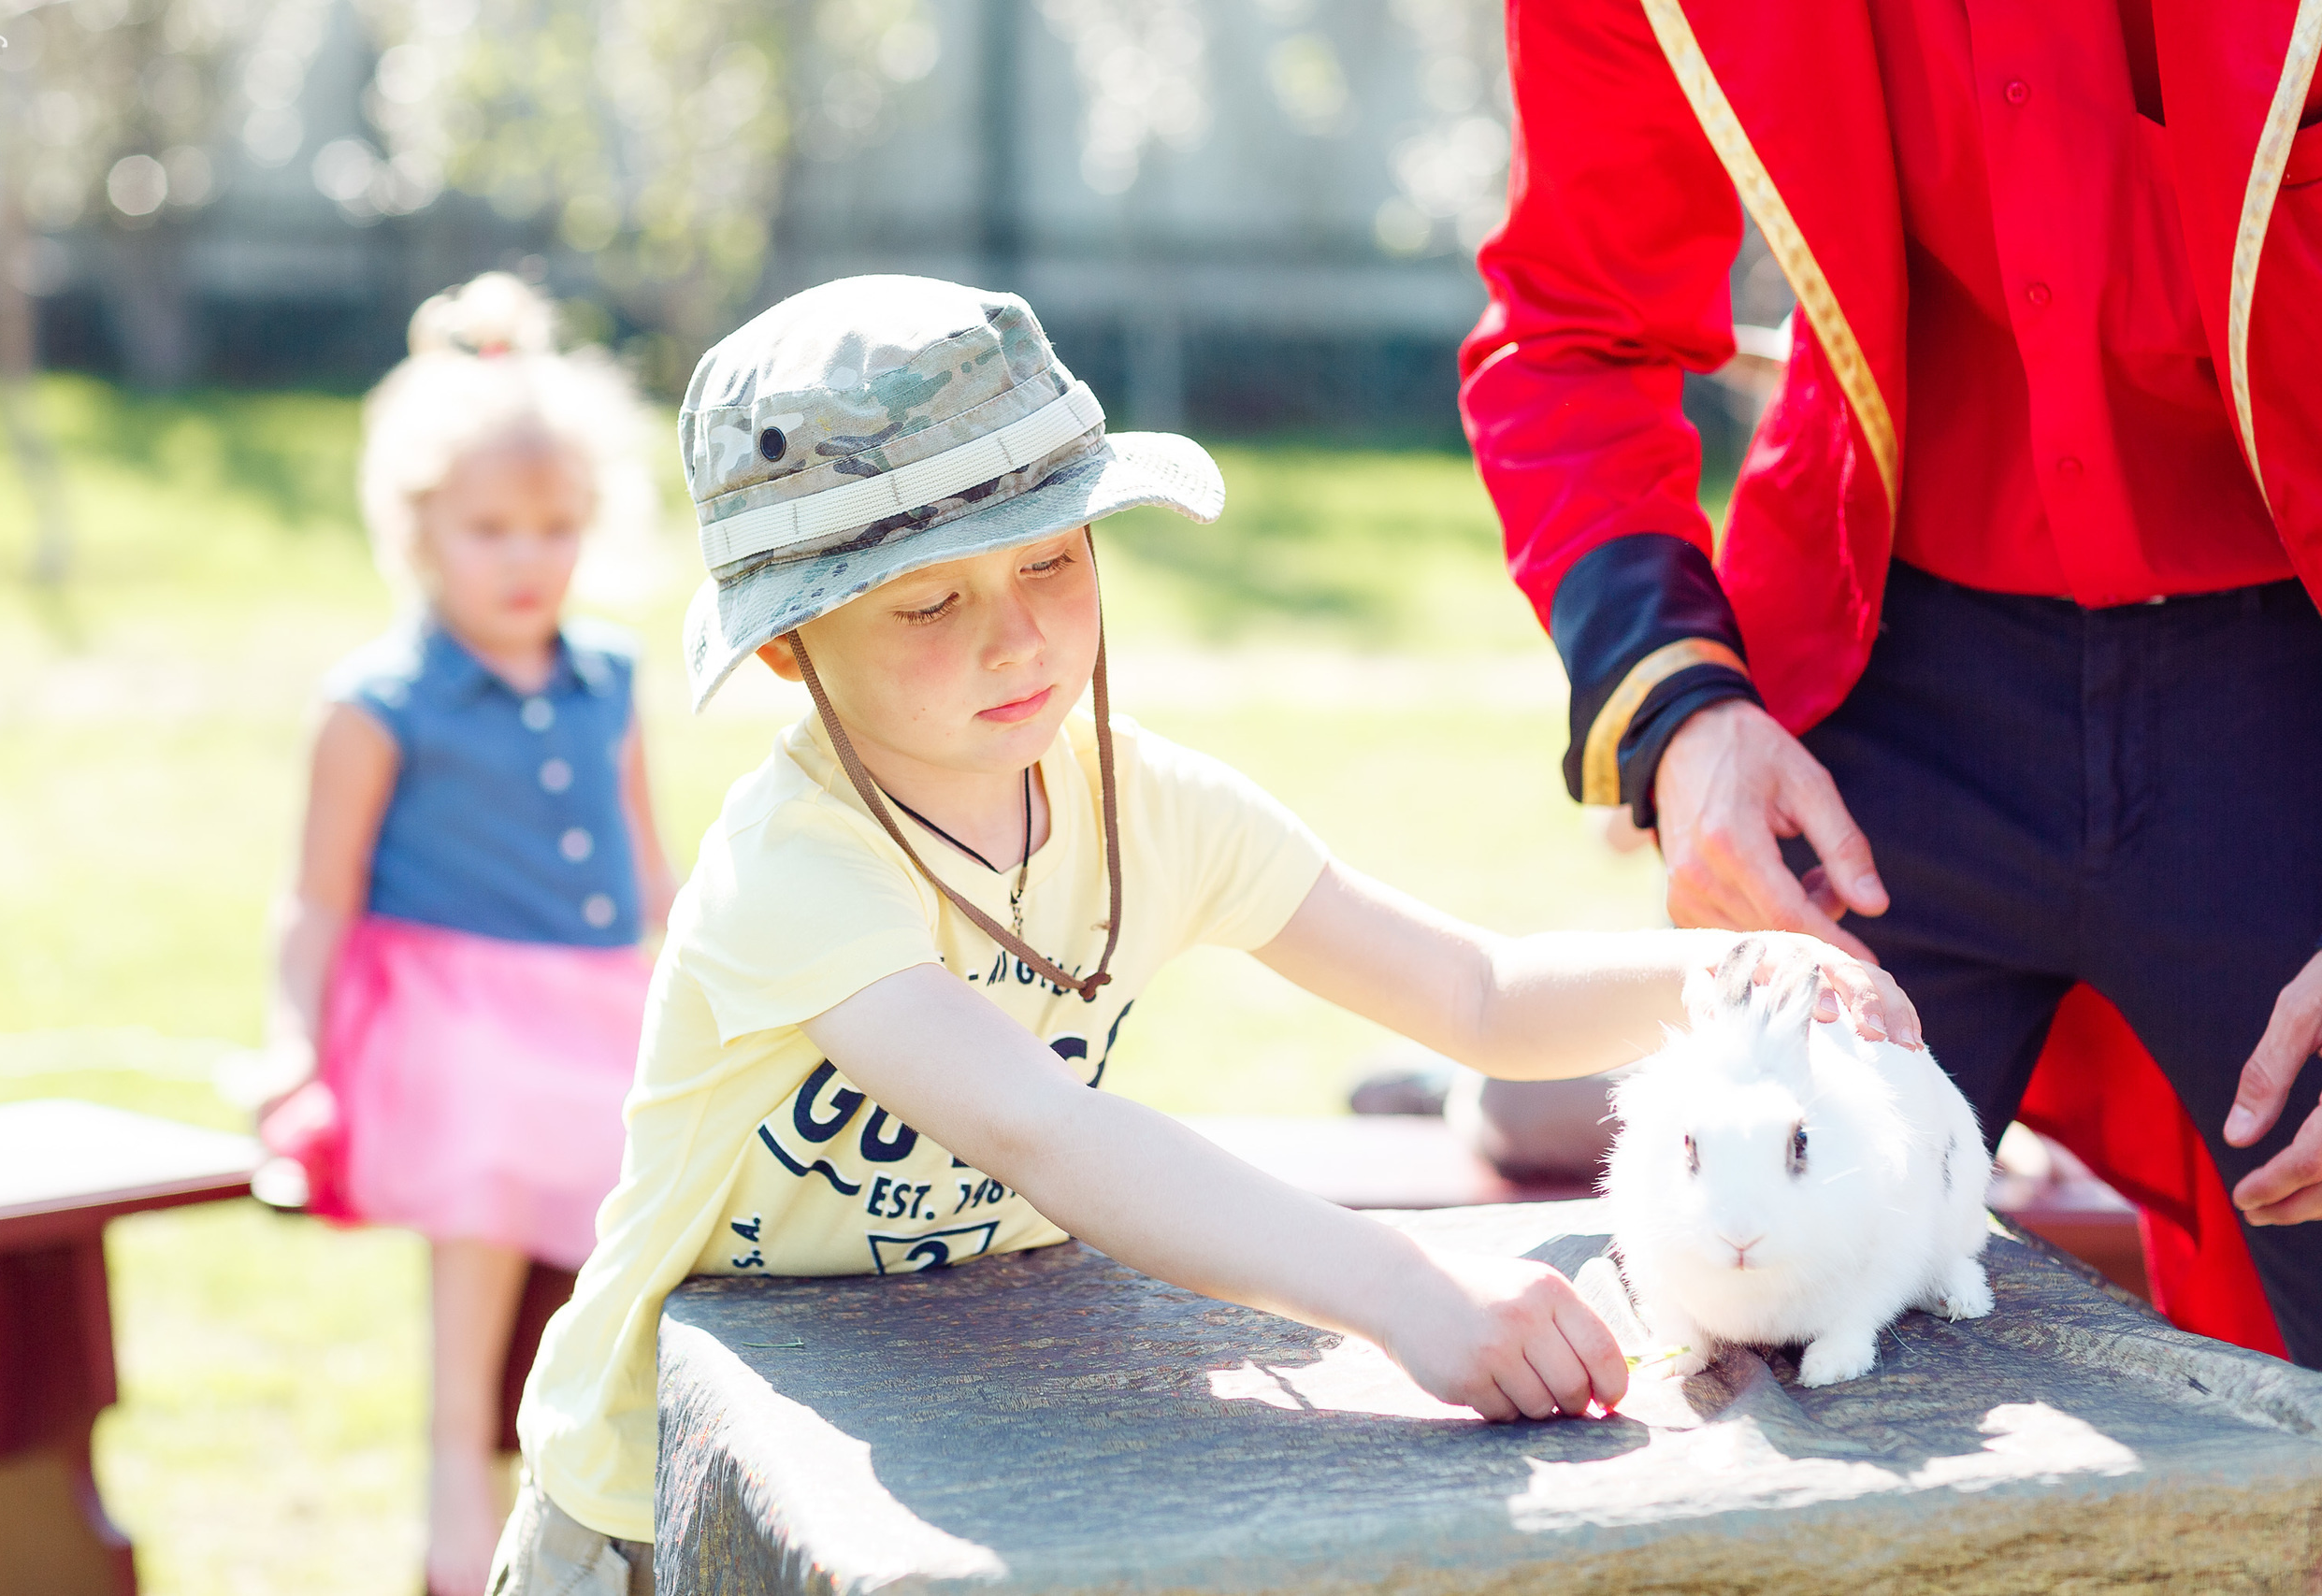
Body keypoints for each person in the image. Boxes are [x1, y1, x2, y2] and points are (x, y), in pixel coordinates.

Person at [488, 275, 1921, 1591]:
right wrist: (1403, 1290)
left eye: (1053, 563)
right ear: (792, 644)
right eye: (930, 600)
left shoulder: (1149, 806)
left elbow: (1474, 993)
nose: (1017, 637)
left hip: (955, 1414)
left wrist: (1732, 970)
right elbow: (1046, 1131)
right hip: (663, 1495)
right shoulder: (791, 866)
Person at [1458, 2, 2322, 1359]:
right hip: (1879, 692)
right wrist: (1685, 718)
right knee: (1748, 1362)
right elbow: (1574, 330)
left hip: (2292, 681)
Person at [254, 272, 677, 1596]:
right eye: (490, 529)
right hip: (455, 1024)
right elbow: (316, 896)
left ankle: (603, 1512)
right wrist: (289, 1047)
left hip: (595, 1010)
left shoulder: (608, 678)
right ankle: (457, 1498)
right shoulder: (378, 704)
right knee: (494, 1190)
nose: (526, 559)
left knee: (632, 1249)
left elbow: (652, 876)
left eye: (555, 528)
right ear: (419, 529)